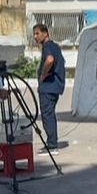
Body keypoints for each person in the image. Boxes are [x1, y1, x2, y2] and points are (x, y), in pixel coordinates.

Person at [33, 24, 65, 155]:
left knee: (47, 115)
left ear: (46, 33)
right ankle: (52, 142)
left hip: (48, 86)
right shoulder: (55, 46)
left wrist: (44, 75)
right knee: (50, 114)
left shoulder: (48, 47)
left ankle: (52, 145)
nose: (36, 36)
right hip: (55, 86)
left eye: (38, 33)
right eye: (34, 34)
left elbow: (50, 60)